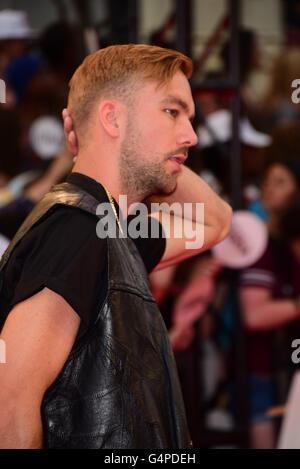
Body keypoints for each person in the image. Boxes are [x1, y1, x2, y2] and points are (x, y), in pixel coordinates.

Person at [0, 44, 232, 449]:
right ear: (112, 117)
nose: (191, 136)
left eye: (189, 118)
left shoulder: (111, 229)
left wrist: (159, 157)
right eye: (172, 112)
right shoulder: (75, 232)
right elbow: (9, 407)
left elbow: (215, 222)